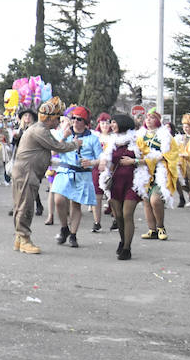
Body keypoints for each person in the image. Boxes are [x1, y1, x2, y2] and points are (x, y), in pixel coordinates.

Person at [10, 97, 81, 254]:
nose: (58, 122)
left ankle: (19, 238)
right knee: (25, 206)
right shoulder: (40, 130)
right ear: (48, 118)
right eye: (57, 118)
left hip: (26, 172)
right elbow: (57, 146)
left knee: (21, 205)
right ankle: (24, 239)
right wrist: (75, 144)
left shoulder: (39, 129)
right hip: (26, 173)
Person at [52, 106, 102, 248]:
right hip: (65, 170)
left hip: (82, 173)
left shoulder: (92, 138)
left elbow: (100, 158)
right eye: (73, 118)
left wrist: (91, 162)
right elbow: (54, 151)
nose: (75, 121)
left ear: (85, 122)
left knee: (76, 204)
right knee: (59, 200)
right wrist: (64, 137)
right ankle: (64, 227)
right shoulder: (64, 133)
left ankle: (73, 234)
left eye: (79, 119)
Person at [99, 113, 142, 260]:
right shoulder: (112, 140)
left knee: (127, 214)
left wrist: (134, 161)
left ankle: (127, 248)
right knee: (118, 216)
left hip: (133, 183)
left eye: (114, 122)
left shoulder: (137, 139)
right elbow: (104, 158)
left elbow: (150, 159)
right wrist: (102, 163)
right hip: (115, 182)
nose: (111, 125)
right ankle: (123, 239)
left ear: (122, 123)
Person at [134, 109, 176, 241]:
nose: (148, 119)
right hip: (144, 171)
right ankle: (152, 230)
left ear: (157, 120)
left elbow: (172, 153)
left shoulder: (165, 135)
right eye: (147, 117)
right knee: (146, 200)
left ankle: (161, 227)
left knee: (155, 200)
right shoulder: (140, 135)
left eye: (152, 117)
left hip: (160, 171)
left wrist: (159, 158)